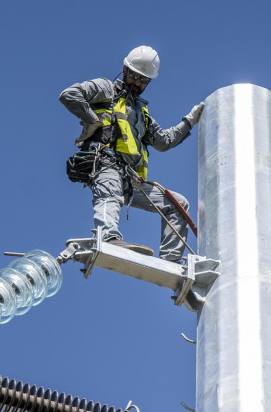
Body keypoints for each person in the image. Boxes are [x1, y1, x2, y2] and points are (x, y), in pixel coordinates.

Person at [59, 46, 204, 263]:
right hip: (105, 164)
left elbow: (164, 141)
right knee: (109, 194)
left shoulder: (142, 115)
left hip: (130, 179)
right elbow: (70, 94)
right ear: (125, 70)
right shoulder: (106, 89)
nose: (137, 83)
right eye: (135, 76)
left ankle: (171, 260)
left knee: (178, 204)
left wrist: (189, 122)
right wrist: (92, 120)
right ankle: (108, 236)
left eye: (143, 80)